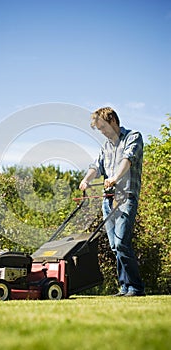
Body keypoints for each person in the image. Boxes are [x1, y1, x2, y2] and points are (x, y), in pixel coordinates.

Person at [79, 107, 145, 296]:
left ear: (113, 121)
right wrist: (86, 180)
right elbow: (96, 166)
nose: (102, 132)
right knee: (115, 246)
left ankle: (136, 287)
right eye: (99, 129)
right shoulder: (106, 146)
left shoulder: (133, 137)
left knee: (122, 242)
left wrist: (115, 177)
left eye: (103, 128)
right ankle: (125, 287)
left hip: (125, 197)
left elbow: (128, 159)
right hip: (108, 200)